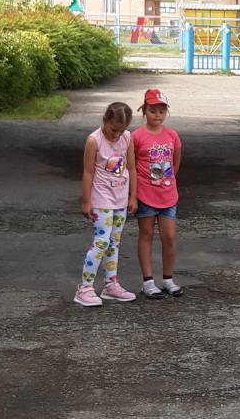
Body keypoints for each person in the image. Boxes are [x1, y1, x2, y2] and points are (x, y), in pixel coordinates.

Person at [77, 102, 139, 305]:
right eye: (113, 130)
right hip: (101, 198)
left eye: (121, 131)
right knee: (101, 242)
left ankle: (110, 285)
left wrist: (133, 196)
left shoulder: (127, 138)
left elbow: (131, 168)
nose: (116, 135)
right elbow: (88, 172)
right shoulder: (94, 140)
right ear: (105, 120)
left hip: (120, 198)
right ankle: (85, 288)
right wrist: (86, 201)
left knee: (114, 243)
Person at [134, 88, 185, 297]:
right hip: (145, 194)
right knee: (146, 234)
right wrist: (133, 194)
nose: (157, 115)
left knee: (169, 236)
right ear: (144, 110)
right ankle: (148, 281)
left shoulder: (172, 135)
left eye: (162, 111)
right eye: (153, 110)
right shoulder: (136, 136)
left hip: (168, 194)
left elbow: (176, 162)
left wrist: (168, 180)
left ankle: (168, 279)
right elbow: (131, 165)